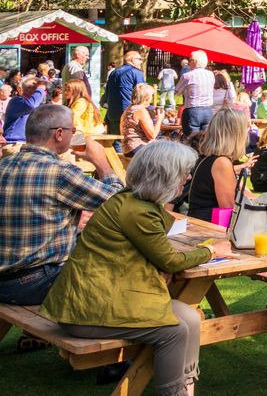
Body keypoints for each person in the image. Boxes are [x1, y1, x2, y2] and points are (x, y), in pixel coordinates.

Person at [41, 141, 233, 396]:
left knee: (189, 317)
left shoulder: (134, 201)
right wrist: (211, 251)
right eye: (184, 172)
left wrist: (165, 264)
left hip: (105, 297)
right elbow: (171, 261)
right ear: (165, 175)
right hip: (88, 310)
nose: (188, 177)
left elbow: (158, 257)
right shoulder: (138, 211)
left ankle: (186, 389)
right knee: (174, 332)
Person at [0, 105, 122, 304]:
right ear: (59, 134)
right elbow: (120, 202)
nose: (74, 134)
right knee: (114, 262)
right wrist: (102, 162)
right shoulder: (60, 172)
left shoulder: (4, 164)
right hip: (34, 283)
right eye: (73, 130)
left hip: (6, 280)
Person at [187, 107, 255, 223]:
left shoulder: (209, 158)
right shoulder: (221, 162)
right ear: (235, 134)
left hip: (201, 224)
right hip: (208, 228)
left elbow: (244, 195)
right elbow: (230, 208)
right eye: (246, 128)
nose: (248, 132)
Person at [103, 49, 145, 137]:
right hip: (129, 113)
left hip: (113, 113)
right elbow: (142, 93)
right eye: (139, 59)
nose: (141, 62)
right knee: (129, 140)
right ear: (133, 60)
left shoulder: (113, 72)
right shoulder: (136, 72)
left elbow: (107, 92)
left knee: (115, 140)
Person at [175, 50, 216, 135]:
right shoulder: (211, 75)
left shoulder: (187, 76)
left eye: (190, 60)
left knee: (191, 139)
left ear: (194, 62)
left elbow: (177, 91)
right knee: (205, 139)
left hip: (193, 111)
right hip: (207, 110)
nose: (188, 63)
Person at [3, 76, 47, 142]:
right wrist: (40, 88)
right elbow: (31, 105)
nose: (42, 93)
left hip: (28, 143)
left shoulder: (36, 104)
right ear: (29, 89)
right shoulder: (17, 101)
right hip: (14, 143)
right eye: (37, 90)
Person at [121, 83, 160, 155]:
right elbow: (152, 136)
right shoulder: (141, 110)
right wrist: (160, 120)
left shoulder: (129, 109)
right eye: (151, 96)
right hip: (138, 147)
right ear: (147, 97)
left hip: (128, 148)